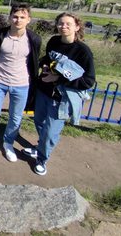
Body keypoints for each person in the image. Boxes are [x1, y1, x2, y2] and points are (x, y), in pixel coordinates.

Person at [25, 12, 95, 176]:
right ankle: (40, 147)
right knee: (39, 121)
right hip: (43, 92)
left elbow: (88, 81)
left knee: (51, 131)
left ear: (77, 27)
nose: (63, 27)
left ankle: (42, 159)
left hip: (61, 98)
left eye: (68, 24)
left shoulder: (83, 52)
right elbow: (48, 59)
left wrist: (58, 79)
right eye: (61, 23)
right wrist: (43, 65)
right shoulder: (54, 41)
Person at [0, 4, 42, 162]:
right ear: (10, 18)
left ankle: (8, 143)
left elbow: (34, 61)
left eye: (22, 17)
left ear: (28, 20)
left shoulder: (34, 39)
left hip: (21, 83)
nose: (18, 20)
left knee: (15, 117)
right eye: (15, 16)